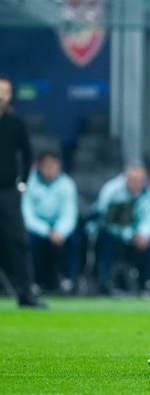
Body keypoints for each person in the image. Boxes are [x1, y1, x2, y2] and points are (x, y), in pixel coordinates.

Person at [0, 74, 47, 308]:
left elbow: (28, 155)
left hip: (7, 192)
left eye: (6, 91)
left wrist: (23, 183)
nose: (2, 95)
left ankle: (26, 294)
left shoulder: (15, 123)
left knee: (18, 243)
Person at [88, 164, 150, 295]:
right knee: (106, 241)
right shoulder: (112, 190)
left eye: (140, 181)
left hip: (136, 235)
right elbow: (105, 219)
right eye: (133, 181)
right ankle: (104, 283)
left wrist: (143, 235)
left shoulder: (149, 192)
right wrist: (130, 235)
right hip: (111, 232)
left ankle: (149, 284)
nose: (136, 184)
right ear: (126, 179)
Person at [22, 150, 80, 294]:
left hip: (59, 229)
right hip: (36, 228)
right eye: (47, 166)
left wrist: (59, 231)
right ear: (39, 166)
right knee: (28, 242)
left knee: (74, 241)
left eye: (55, 166)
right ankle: (31, 281)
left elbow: (69, 214)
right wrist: (47, 232)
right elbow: (26, 214)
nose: (51, 170)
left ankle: (67, 280)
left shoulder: (67, 184)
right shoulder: (28, 183)